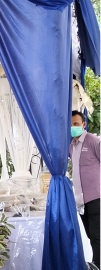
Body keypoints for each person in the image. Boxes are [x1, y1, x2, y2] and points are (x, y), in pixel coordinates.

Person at [70, 110, 100, 267]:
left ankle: (97, 265)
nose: (72, 127)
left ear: (83, 124)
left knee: (97, 236)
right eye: (70, 124)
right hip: (81, 200)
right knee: (90, 235)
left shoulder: (93, 141)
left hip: (96, 197)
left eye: (75, 124)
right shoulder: (71, 146)